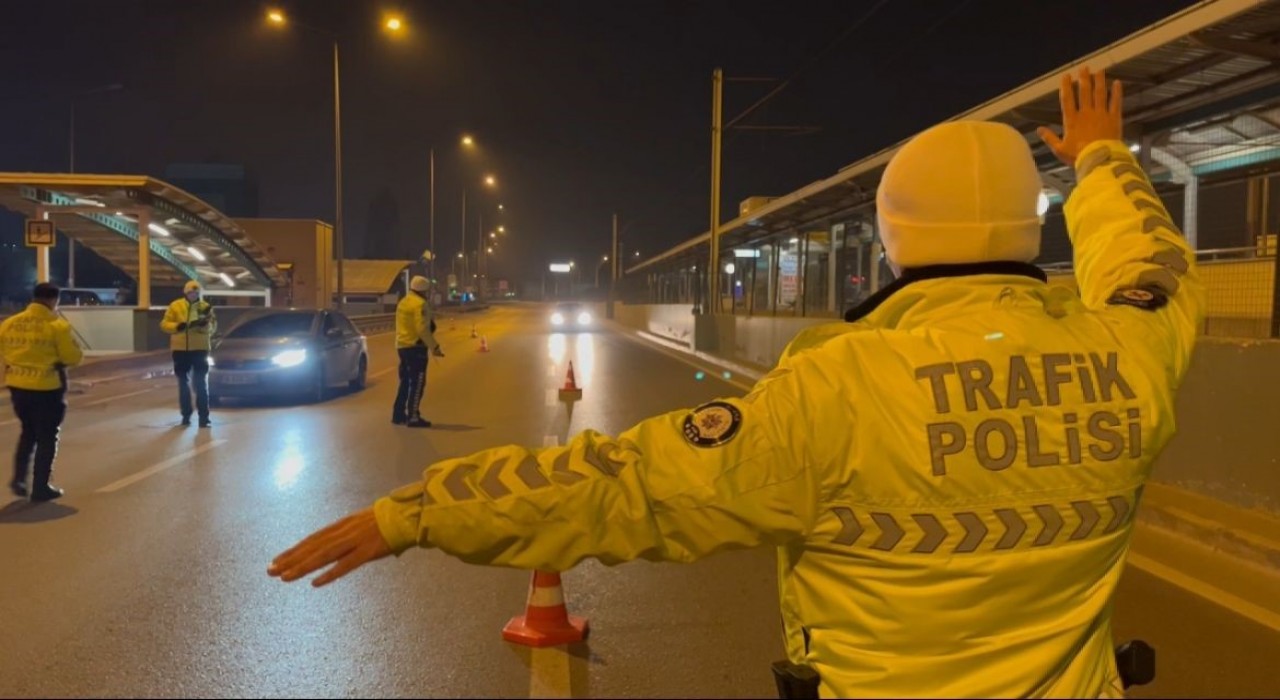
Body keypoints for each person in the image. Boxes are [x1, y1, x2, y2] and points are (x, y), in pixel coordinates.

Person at [269, 68, 1204, 698]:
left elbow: (623, 487)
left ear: (892, 240)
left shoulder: (836, 390)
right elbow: (1155, 267)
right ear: (1030, 228)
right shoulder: (1125, 355)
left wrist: (420, 511)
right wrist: (1103, 158)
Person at [1, 283, 84, 501]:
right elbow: (72, 357)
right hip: (47, 388)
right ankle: (40, 486)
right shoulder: (57, 326)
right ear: (53, 300)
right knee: (47, 436)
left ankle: (19, 478)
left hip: (18, 386)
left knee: (27, 431)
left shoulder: (9, 323)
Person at [160, 280, 217, 428]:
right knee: (183, 382)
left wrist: (203, 327)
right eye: (191, 292)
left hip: (199, 349)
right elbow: (165, 324)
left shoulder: (205, 307)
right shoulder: (175, 306)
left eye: (196, 292)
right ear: (185, 292)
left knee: (200, 383)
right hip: (180, 350)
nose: (194, 295)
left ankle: (204, 417)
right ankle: (186, 415)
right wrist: (178, 326)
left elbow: (212, 327)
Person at [391, 275, 444, 428]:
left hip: (402, 346)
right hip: (416, 348)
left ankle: (398, 414)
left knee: (405, 381)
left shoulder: (404, 301)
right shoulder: (420, 304)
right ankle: (413, 416)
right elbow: (422, 329)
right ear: (424, 291)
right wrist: (434, 347)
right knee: (418, 382)